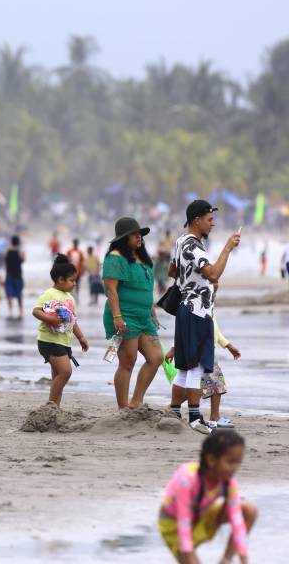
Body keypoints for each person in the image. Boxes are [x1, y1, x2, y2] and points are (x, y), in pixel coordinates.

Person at [168, 200, 240, 434]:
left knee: (184, 368)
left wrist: (189, 281)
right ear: (196, 220)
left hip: (186, 308)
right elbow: (213, 273)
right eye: (210, 220)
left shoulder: (181, 242)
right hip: (197, 310)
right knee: (196, 366)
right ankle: (196, 418)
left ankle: (176, 412)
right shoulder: (194, 246)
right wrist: (228, 248)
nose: (213, 224)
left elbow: (172, 270)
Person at [159, 431, 257, 564]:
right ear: (211, 460)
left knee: (249, 510)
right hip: (175, 526)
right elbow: (184, 522)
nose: (235, 468)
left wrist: (244, 559)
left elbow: (236, 519)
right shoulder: (186, 480)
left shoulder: (228, 481)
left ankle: (225, 560)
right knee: (189, 555)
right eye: (230, 461)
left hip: (202, 515)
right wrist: (187, 554)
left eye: (238, 462)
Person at [102, 217, 163, 410]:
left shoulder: (143, 258)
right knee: (128, 361)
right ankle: (123, 408)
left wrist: (152, 310)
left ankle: (136, 401)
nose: (139, 237)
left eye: (140, 234)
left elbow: (146, 288)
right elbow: (111, 290)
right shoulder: (116, 257)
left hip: (144, 316)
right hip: (124, 315)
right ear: (124, 237)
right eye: (135, 234)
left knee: (156, 357)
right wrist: (117, 317)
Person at [32, 254, 89, 407]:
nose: (74, 284)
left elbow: (72, 320)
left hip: (64, 341)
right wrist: (50, 319)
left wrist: (81, 337)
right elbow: (36, 311)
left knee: (58, 375)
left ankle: (55, 407)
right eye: (72, 280)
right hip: (48, 341)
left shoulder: (70, 298)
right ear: (60, 280)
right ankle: (50, 405)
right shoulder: (49, 294)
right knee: (66, 372)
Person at [4, 235, 25, 319]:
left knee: (9, 294)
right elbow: (22, 260)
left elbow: (5, 261)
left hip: (9, 275)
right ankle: (21, 312)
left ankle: (10, 312)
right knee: (19, 295)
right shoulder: (20, 251)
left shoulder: (8, 251)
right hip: (18, 275)